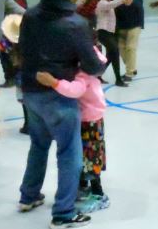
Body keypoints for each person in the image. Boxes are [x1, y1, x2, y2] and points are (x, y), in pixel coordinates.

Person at [18, 0, 103, 229]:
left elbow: (22, 48)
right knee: (69, 153)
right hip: (57, 95)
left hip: (30, 91)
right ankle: (64, 212)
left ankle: (29, 195)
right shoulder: (75, 23)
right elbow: (92, 65)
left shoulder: (30, 15)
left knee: (39, 144)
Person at [36, 40, 111, 214]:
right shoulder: (88, 69)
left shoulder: (83, 74)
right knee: (87, 153)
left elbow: (75, 90)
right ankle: (85, 186)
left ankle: (96, 190)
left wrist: (53, 82)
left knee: (89, 154)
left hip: (89, 120)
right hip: (90, 118)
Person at [95, 0, 132, 87]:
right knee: (115, 53)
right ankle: (118, 80)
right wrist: (123, 0)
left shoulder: (107, 4)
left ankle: (97, 75)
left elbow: (112, 5)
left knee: (110, 56)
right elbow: (111, 4)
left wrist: (126, 1)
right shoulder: (102, 3)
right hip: (103, 32)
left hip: (109, 33)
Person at [111, 0, 144, 81]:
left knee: (131, 47)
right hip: (120, 23)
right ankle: (132, 67)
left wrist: (132, 1)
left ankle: (129, 72)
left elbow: (139, 2)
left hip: (135, 22)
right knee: (121, 48)